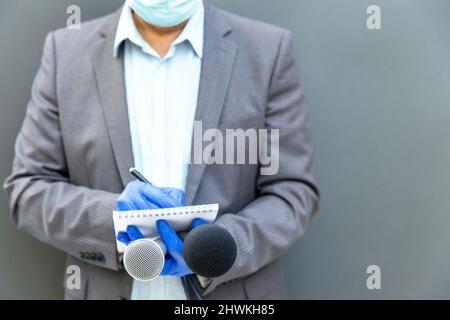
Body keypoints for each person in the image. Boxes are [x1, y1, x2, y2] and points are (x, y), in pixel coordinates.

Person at [4, 0, 319, 300]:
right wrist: (114, 219)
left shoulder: (268, 50)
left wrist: (219, 247)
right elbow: (27, 191)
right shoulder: (65, 52)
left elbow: (292, 191)